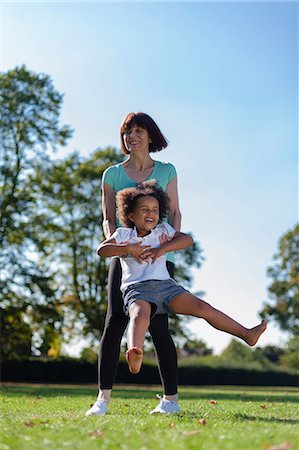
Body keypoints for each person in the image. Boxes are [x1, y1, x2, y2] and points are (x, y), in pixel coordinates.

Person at [97, 181, 267, 376]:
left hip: (166, 286)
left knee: (203, 308)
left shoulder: (163, 231)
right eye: (144, 210)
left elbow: (187, 239)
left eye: (155, 209)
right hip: (137, 289)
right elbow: (102, 250)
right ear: (131, 216)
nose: (151, 213)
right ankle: (135, 352)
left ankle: (246, 334)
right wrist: (127, 249)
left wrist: (162, 249)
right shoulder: (123, 234)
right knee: (139, 314)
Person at [86, 112, 182, 416]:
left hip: (158, 258)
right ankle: (102, 399)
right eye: (127, 132)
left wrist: (166, 246)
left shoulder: (166, 171)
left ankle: (171, 401)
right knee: (114, 323)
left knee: (159, 326)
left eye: (138, 131)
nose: (132, 137)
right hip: (124, 255)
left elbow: (176, 214)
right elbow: (107, 218)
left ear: (150, 136)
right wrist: (119, 246)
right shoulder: (112, 174)